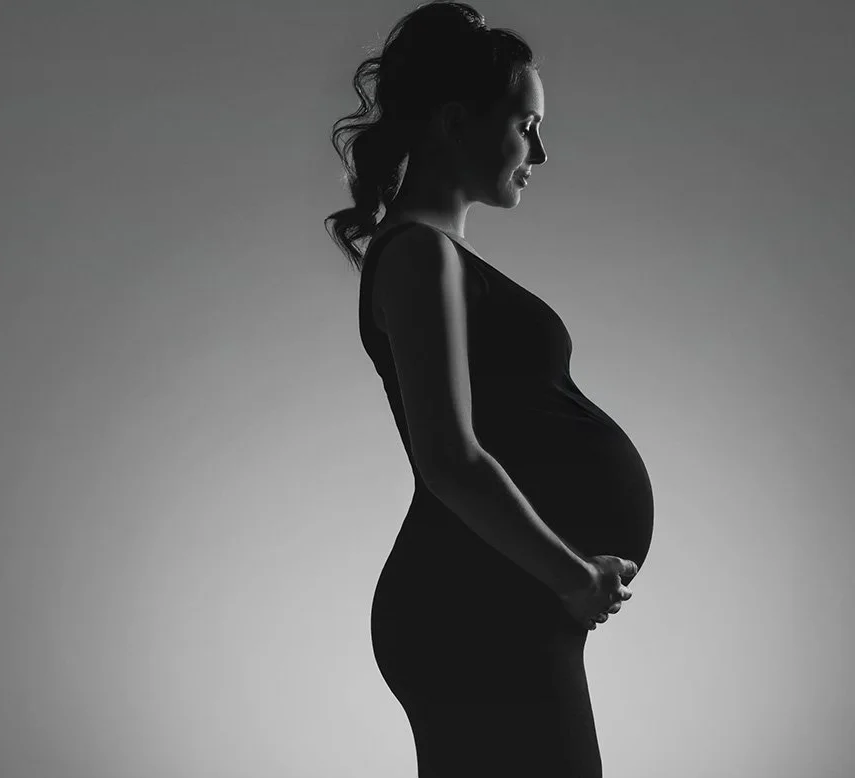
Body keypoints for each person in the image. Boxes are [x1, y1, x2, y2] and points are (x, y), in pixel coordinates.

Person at [325, 3, 653, 776]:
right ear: (453, 122)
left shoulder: (434, 257)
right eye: (524, 123)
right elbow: (451, 458)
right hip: (472, 608)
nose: (541, 149)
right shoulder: (418, 258)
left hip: (505, 602)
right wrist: (576, 579)